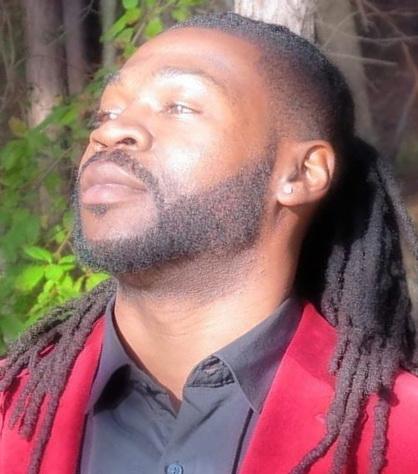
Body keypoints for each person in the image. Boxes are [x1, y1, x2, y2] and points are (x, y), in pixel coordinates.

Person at [1, 11, 418, 474]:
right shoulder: (9, 410)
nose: (108, 132)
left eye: (179, 106)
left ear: (300, 173)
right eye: (108, 113)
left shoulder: (402, 441)